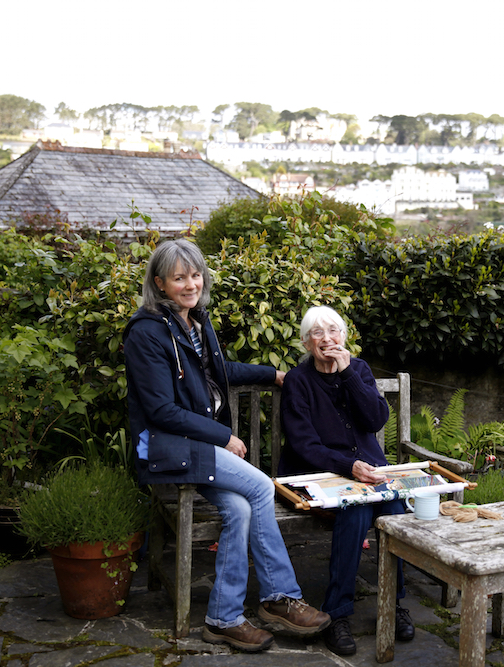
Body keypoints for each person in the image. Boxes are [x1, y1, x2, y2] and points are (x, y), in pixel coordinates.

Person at [123, 240, 330, 653]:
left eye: (195, 275)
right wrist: (223, 436)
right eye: (179, 277)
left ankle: (222, 618)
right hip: (167, 449)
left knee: (238, 507)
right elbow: (161, 410)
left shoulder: (195, 323)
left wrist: (275, 375)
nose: (190, 284)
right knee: (261, 487)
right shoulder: (146, 334)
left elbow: (222, 371)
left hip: (196, 451)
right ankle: (279, 598)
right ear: (160, 283)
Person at [278, 305, 415, 656]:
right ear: (307, 343)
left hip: (368, 473)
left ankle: (393, 602)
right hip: (320, 475)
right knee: (355, 512)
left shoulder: (360, 370)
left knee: (396, 511)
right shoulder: (298, 381)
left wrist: (349, 374)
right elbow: (303, 444)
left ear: (344, 337)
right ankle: (337, 613)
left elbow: (375, 419)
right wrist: (348, 465)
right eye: (318, 334)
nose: (327, 339)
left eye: (334, 331)